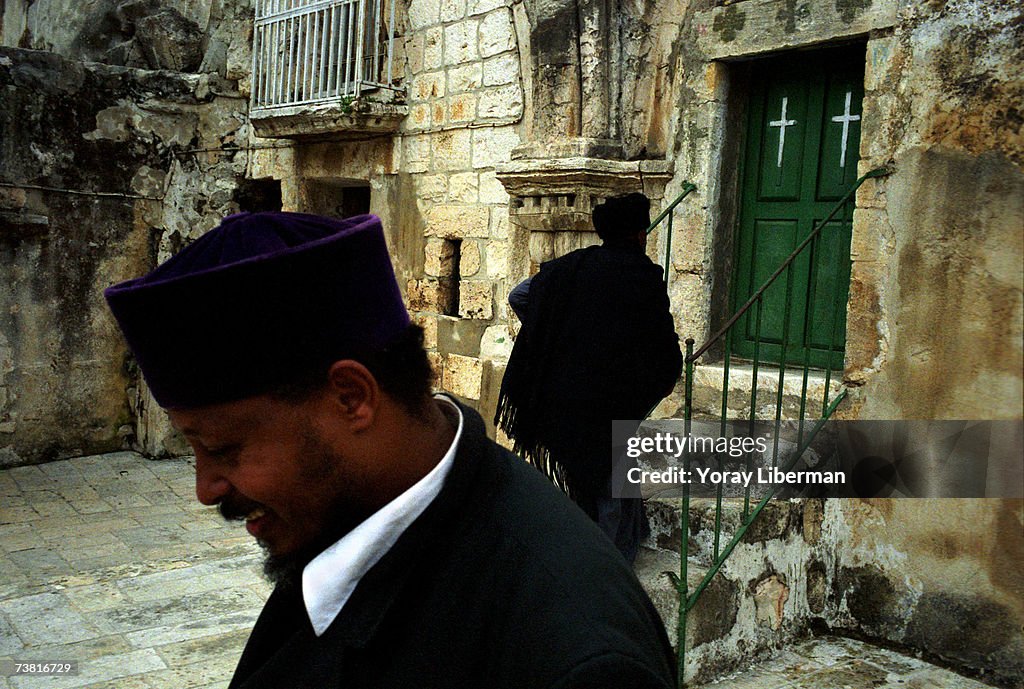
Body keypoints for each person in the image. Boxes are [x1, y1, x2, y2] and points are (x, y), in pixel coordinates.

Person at [104, 211, 676, 689]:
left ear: (352, 398)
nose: (206, 490)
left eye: (224, 448)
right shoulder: (342, 520)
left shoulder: (576, 658)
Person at [496, 193, 683, 563]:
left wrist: (557, 340)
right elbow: (661, 346)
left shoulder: (575, 266)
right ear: (638, 234)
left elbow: (520, 295)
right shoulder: (642, 277)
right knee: (609, 481)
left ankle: (625, 539)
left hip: (565, 392)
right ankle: (605, 567)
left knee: (596, 473)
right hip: (613, 399)